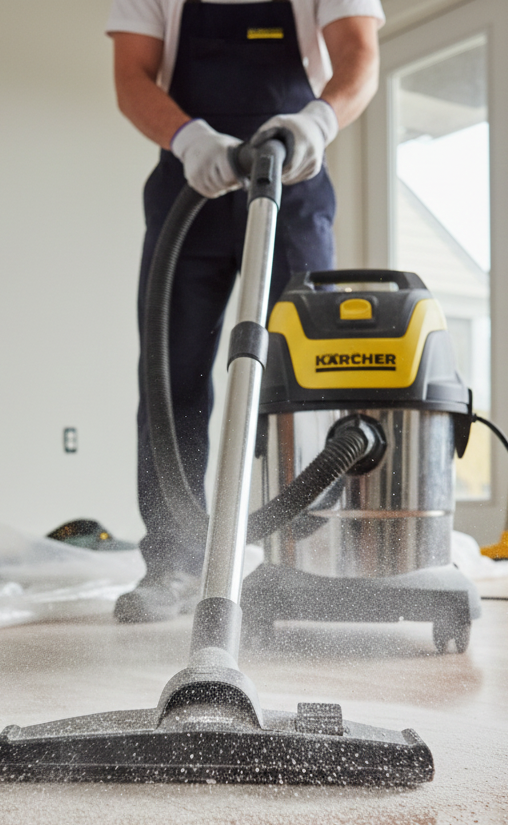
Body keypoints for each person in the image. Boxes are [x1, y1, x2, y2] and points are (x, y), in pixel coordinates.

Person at [108, 0, 384, 622]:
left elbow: (359, 56)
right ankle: (175, 563)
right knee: (169, 374)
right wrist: (188, 137)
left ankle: (300, 560)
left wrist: (317, 121)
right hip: (193, 178)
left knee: (302, 378)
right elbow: (131, 77)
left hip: (294, 172)